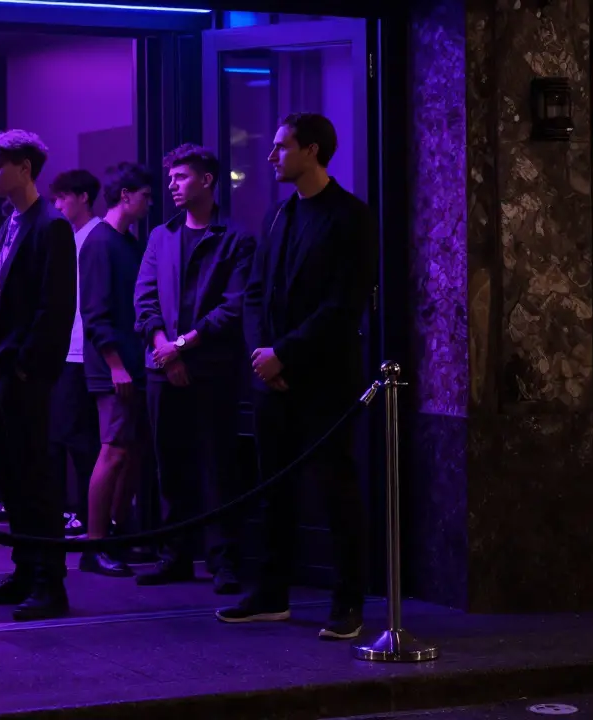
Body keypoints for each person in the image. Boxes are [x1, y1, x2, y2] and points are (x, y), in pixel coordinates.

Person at [217, 113, 376, 640]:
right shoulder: (279, 215)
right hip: (273, 376)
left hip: (323, 377)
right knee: (273, 487)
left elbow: (342, 304)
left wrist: (284, 352)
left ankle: (348, 601)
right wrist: (262, 353)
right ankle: (271, 593)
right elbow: (256, 292)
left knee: (336, 488)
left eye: (281, 146)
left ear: (311, 151)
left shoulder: (350, 216)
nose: (272, 155)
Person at [133, 145, 254, 595]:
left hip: (212, 370)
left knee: (217, 465)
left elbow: (235, 305)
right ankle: (175, 556)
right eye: (171, 178)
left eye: (181, 177)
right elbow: (143, 298)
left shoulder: (236, 238)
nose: (172, 185)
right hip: (162, 368)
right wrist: (164, 346)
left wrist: (183, 347)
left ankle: (224, 560)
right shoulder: (161, 237)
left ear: (206, 180)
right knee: (171, 466)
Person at [0, 130, 77, 621]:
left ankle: (48, 583)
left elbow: (52, 310)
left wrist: (25, 369)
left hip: (22, 374)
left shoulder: (50, 226)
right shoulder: (11, 222)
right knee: (11, 477)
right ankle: (24, 571)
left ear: (25, 168)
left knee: (34, 477)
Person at [77, 162, 154, 577]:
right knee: (114, 450)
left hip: (131, 362)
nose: (149, 203)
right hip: (115, 366)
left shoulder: (127, 242)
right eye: (144, 195)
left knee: (131, 451)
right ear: (125, 194)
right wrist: (116, 366)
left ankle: (118, 535)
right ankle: (95, 545)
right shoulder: (100, 243)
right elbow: (95, 313)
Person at [48, 169, 104, 539]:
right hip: (67, 349)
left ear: (83, 197)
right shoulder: (71, 235)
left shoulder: (96, 237)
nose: (57, 204)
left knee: (82, 440)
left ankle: (87, 515)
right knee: (64, 437)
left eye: (64, 197)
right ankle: (75, 513)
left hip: (85, 352)